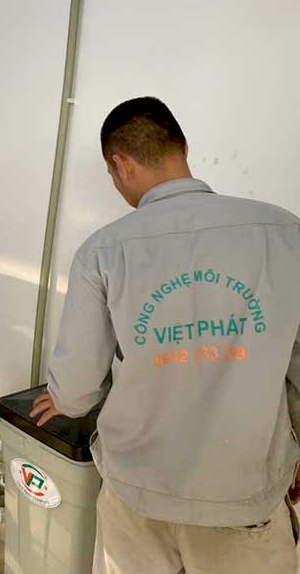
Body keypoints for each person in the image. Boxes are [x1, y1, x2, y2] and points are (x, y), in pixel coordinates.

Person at [29, 96, 300, 573]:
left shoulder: (103, 251)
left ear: (121, 164)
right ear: (184, 147)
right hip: (245, 493)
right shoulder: (285, 233)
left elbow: (75, 391)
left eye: (111, 175)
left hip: (139, 492)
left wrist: (66, 400)